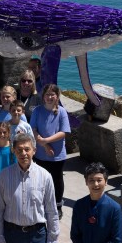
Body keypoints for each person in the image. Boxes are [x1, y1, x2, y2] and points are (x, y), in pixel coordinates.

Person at [31, 84, 71, 219]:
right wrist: (44, 145)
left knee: (56, 180)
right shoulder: (37, 111)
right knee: (40, 180)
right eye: (47, 94)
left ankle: (58, 205)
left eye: (52, 94)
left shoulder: (62, 112)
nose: (49, 97)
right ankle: (42, 204)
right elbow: (33, 129)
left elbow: (63, 132)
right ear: (43, 97)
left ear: (57, 96)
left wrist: (45, 141)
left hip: (57, 155)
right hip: (40, 154)